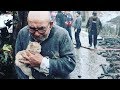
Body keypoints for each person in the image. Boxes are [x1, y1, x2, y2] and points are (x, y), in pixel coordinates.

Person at [15, 11, 76, 79]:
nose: (37, 34)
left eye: (41, 29)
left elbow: (70, 64)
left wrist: (43, 62)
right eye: (32, 28)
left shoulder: (62, 35)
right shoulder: (23, 33)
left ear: (50, 24)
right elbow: (18, 64)